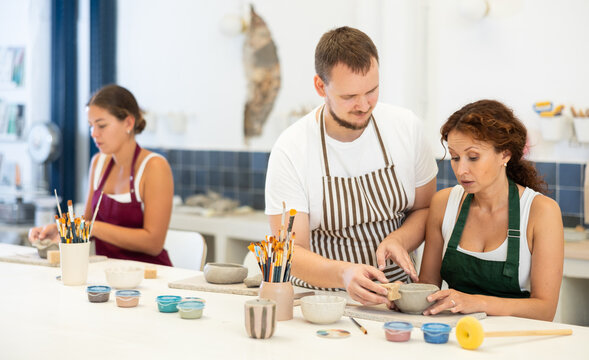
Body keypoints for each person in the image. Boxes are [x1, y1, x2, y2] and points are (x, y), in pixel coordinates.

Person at [264, 27, 437, 306]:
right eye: (349, 97)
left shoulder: (406, 128)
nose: (364, 105)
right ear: (321, 87)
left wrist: (401, 238)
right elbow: (290, 251)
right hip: (319, 300)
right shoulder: (292, 148)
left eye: (372, 91)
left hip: (395, 298)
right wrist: (343, 273)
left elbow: (426, 209)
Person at [419, 99, 563, 321]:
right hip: (457, 339)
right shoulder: (444, 204)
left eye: (473, 157)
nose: (461, 169)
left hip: (518, 346)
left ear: (504, 154)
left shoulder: (541, 212)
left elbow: (545, 311)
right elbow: (428, 290)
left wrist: (477, 303)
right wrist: (403, 297)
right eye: (455, 157)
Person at [28, 84, 174, 266]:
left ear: (128, 123)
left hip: (150, 276)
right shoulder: (98, 163)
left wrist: (94, 228)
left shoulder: (154, 167)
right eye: (91, 126)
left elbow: (153, 244)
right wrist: (61, 231)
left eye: (102, 125)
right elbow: (87, 224)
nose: (94, 134)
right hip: (106, 273)